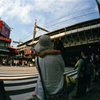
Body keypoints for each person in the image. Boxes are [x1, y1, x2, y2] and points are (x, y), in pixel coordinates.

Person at [33, 35, 67, 100]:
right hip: (58, 91)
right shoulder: (58, 56)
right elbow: (63, 70)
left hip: (43, 92)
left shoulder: (37, 60)